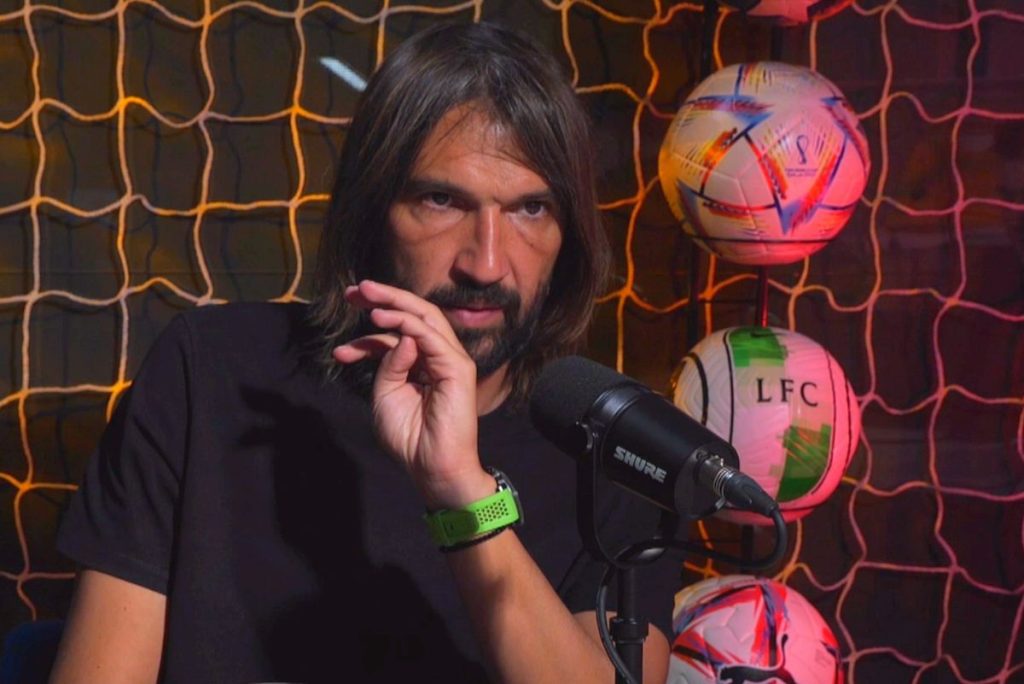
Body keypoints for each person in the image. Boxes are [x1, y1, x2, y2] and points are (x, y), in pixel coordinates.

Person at [49, 22, 679, 683]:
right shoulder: (210, 372)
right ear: (372, 209)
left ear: (568, 234)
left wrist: (461, 491)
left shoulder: (616, 446)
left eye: (530, 209)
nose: (487, 263)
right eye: (441, 200)